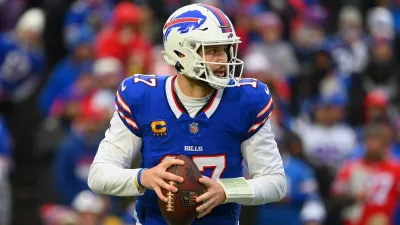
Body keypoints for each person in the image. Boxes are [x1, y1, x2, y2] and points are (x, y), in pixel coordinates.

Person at [88, 3, 286, 225]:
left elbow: (276, 182)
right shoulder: (143, 97)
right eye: (212, 50)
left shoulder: (245, 100)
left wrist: (227, 190)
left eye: (225, 49)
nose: (223, 59)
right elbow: (98, 175)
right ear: (180, 52)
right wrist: (143, 177)